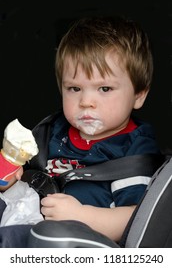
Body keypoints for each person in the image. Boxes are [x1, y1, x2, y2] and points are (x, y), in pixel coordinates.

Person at [0, 15, 162, 244]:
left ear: (138, 95)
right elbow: (19, 180)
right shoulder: (52, 131)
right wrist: (10, 175)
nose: (86, 101)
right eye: (74, 88)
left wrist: (82, 216)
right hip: (25, 214)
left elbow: (138, 221)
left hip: (78, 241)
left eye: (104, 88)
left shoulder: (134, 150)